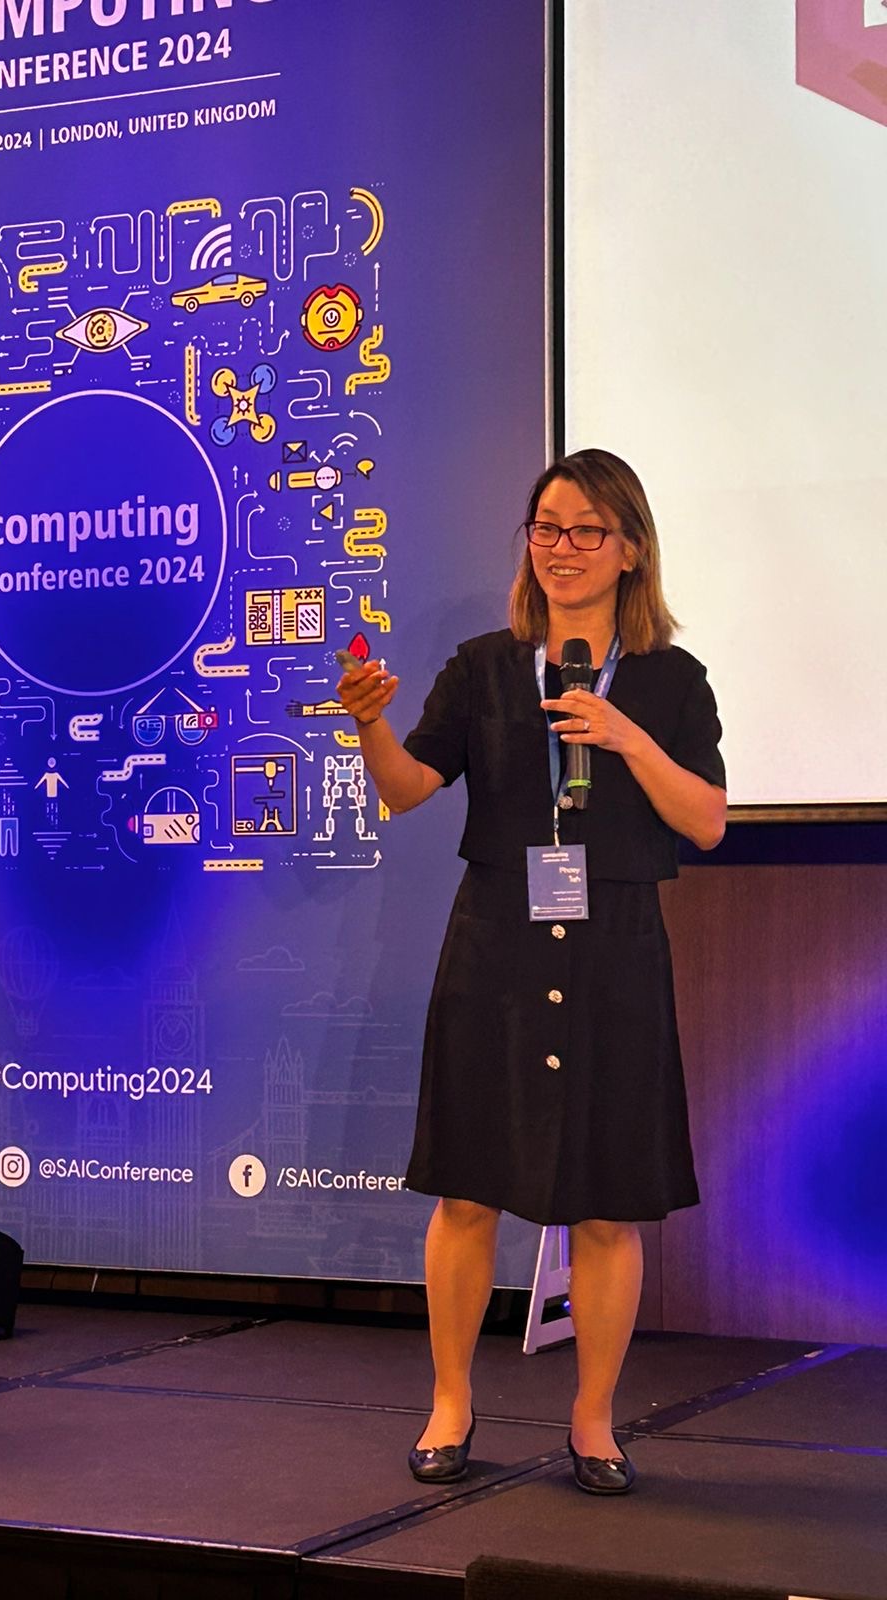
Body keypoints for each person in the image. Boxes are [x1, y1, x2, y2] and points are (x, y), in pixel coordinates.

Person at [337, 449, 726, 1496]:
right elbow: (409, 788)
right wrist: (369, 721)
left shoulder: (671, 682)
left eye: (585, 530)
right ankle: (451, 1400)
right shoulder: (483, 667)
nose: (561, 548)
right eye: (545, 528)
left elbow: (708, 819)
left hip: (616, 956)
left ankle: (593, 1420)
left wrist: (626, 737)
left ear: (630, 550)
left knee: (606, 1204)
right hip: (497, 946)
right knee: (469, 1192)